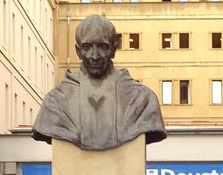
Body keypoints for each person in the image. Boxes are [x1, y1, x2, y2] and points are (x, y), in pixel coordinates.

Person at [32, 14, 165, 151]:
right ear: (78, 51)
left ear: (114, 49)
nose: (94, 56)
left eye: (102, 47)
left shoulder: (142, 99)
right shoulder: (55, 101)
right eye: (87, 47)